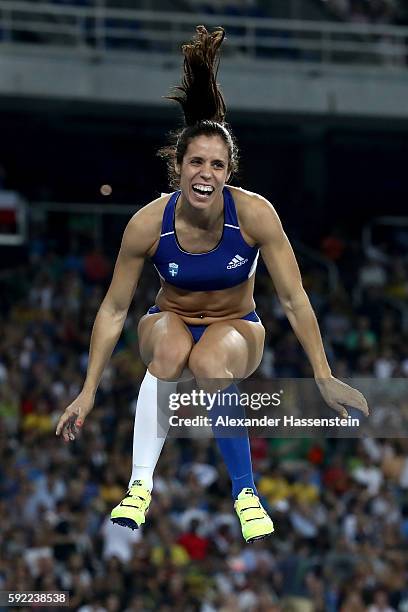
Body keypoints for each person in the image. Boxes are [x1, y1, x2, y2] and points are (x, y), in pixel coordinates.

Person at [56, 25, 369, 543]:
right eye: (196, 162)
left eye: (217, 164)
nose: (206, 172)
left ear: (229, 172)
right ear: (177, 167)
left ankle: (245, 492)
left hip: (236, 329)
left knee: (206, 361)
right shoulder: (147, 225)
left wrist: (323, 375)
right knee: (172, 351)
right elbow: (113, 311)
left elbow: (293, 298)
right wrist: (88, 391)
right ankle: (139, 487)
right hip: (170, 320)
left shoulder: (253, 216)